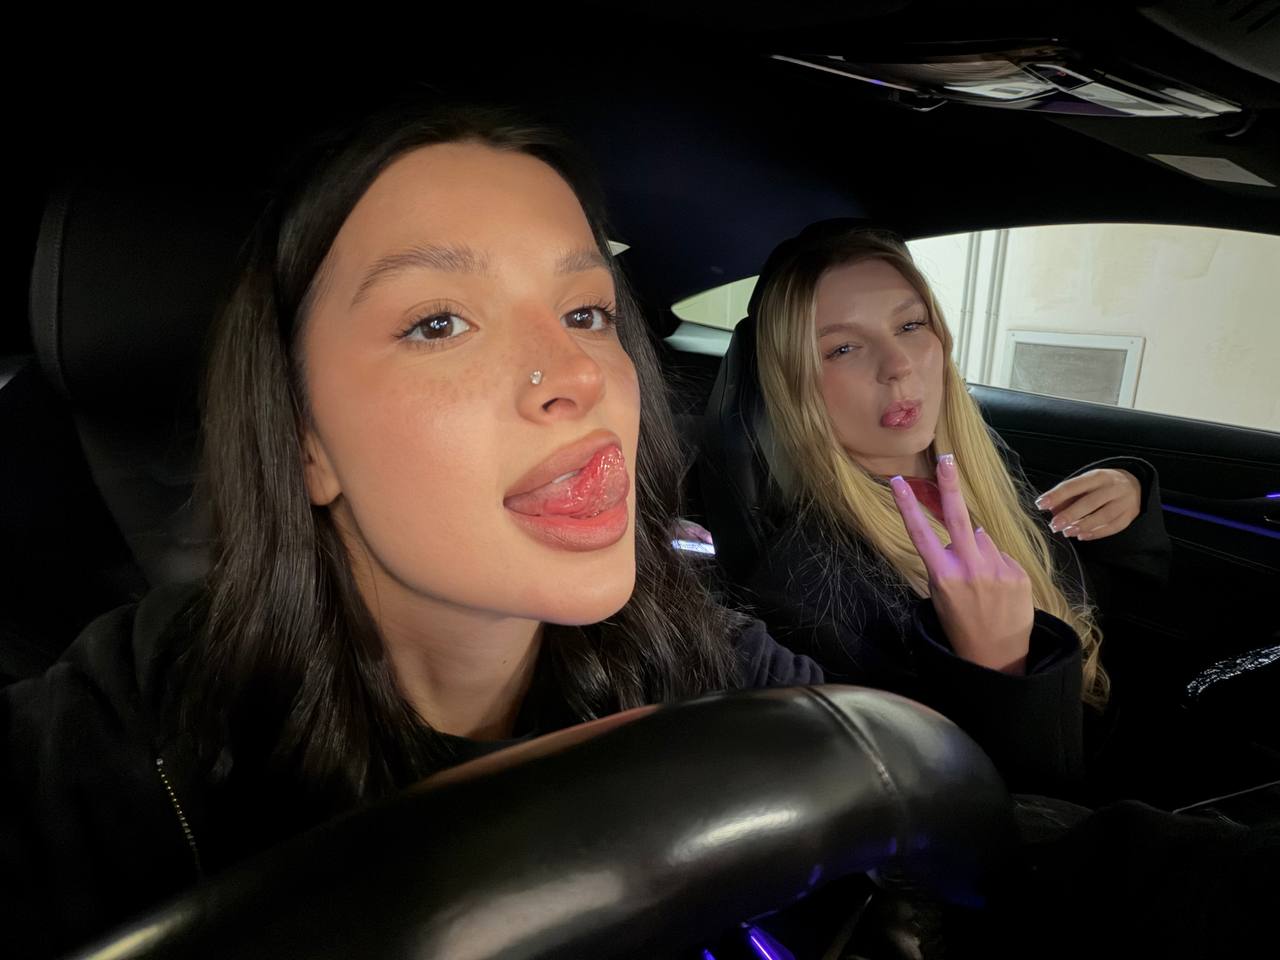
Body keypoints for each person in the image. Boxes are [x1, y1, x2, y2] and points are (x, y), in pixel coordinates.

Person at [748, 223, 1171, 793]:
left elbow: (1103, 626)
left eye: (910, 325)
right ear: (796, 382)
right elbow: (977, 812)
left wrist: (1125, 496)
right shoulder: (806, 583)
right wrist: (999, 668)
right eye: (842, 348)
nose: (898, 364)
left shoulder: (983, 472)